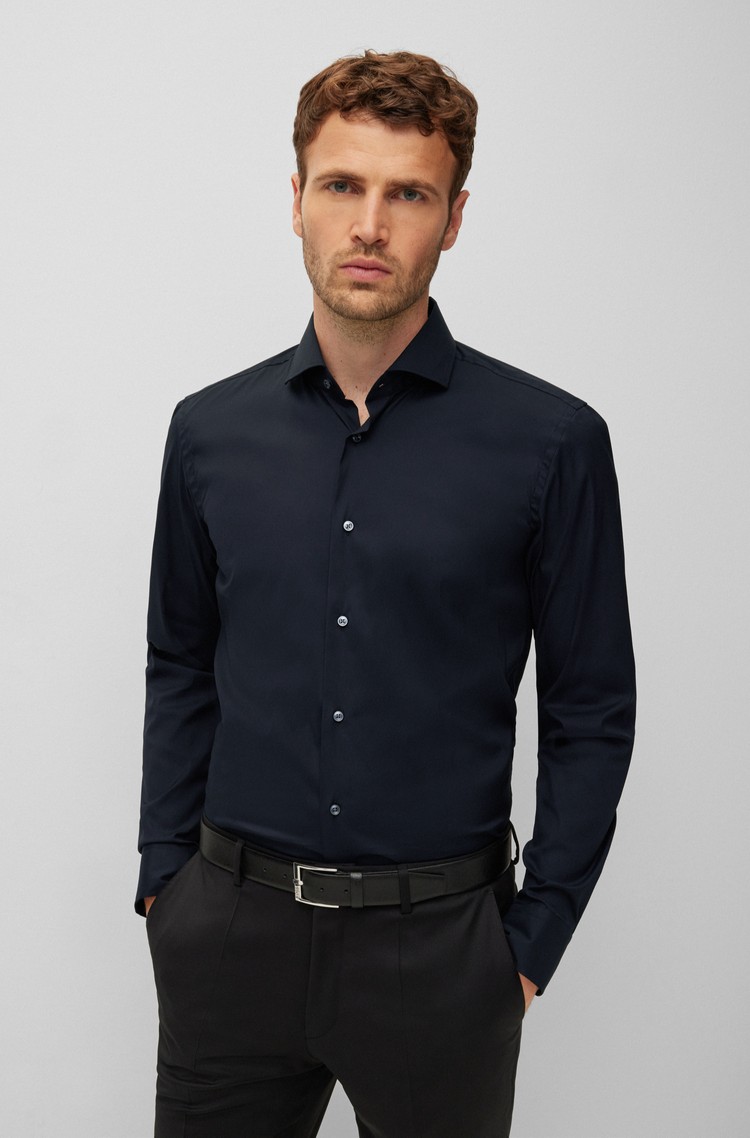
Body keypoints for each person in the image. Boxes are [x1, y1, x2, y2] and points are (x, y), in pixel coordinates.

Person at [136, 49, 636, 1138]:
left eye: (408, 194)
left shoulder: (552, 443)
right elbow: (179, 659)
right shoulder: (208, 432)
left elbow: (592, 708)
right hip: (229, 939)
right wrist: (163, 879)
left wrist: (529, 942)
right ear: (297, 201)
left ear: (453, 219)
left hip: (442, 956)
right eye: (342, 185)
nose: (369, 225)